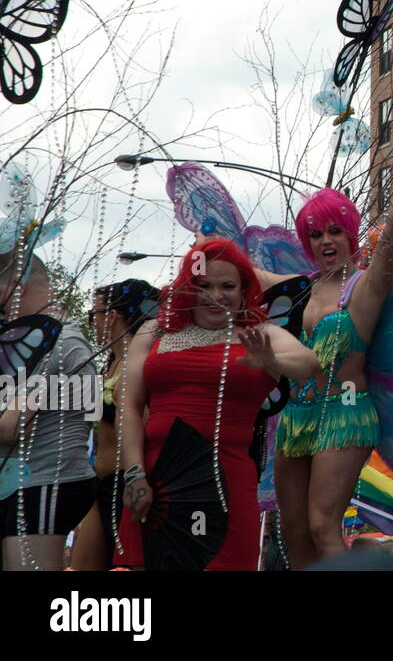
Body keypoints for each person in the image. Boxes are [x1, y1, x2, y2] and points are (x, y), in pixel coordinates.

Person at [247, 140, 393, 568]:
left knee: (323, 525)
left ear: (350, 234)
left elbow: (391, 242)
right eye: (315, 233)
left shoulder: (365, 286)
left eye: (334, 231)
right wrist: (210, 253)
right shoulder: (303, 285)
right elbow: (246, 273)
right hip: (298, 415)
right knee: (292, 532)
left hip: (345, 413)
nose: (326, 240)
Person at [114, 238, 319, 570]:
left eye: (228, 285)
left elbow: (310, 364)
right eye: (203, 284)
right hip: (155, 477)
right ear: (188, 288)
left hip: (226, 478)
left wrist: (270, 360)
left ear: (243, 290)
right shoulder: (154, 332)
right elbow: (129, 406)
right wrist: (134, 475)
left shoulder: (259, 333)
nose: (216, 294)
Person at [0, 251, 97, 571]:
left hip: (43, 482)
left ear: (16, 286)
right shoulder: (48, 336)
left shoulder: (54, 342)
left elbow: (9, 426)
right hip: (31, 480)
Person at [70, 278, 160, 570]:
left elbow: (145, 424)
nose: (92, 323)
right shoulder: (111, 360)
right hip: (100, 483)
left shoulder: (142, 360)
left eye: (92, 314)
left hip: (129, 483)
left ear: (111, 316)